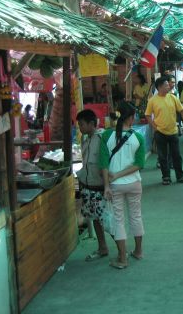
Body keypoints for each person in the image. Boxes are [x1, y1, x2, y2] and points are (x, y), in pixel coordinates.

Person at [99, 102, 146, 269]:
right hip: (134, 183)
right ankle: (138, 251)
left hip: (115, 185)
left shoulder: (106, 136)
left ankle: (122, 258)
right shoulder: (138, 137)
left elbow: (103, 163)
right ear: (131, 118)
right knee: (136, 216)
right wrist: (121, 174)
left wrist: (107, 184)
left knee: (118, 220)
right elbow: (139, 164)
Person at [145, 77, 183, 185]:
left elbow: (182, 111)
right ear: (160, 87)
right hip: (160, 133)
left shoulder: (173, 97)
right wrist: (154, 126)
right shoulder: (152, 100)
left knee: (177, 156)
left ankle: (180, 176)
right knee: (162, 157)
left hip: (173, 132)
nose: (169, 86)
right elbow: (147, 115)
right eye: (166, 85)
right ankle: (166, 177)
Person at [76, 109, 108, 262]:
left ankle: (122, 250)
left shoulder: (102, 138)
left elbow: (107, 163)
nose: (80, 127)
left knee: (108, 220)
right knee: (95, 218)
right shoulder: (85, 139)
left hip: (102, 187)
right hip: (89, 186)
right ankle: (103, 248)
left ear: (91, 124)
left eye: (82, 124)